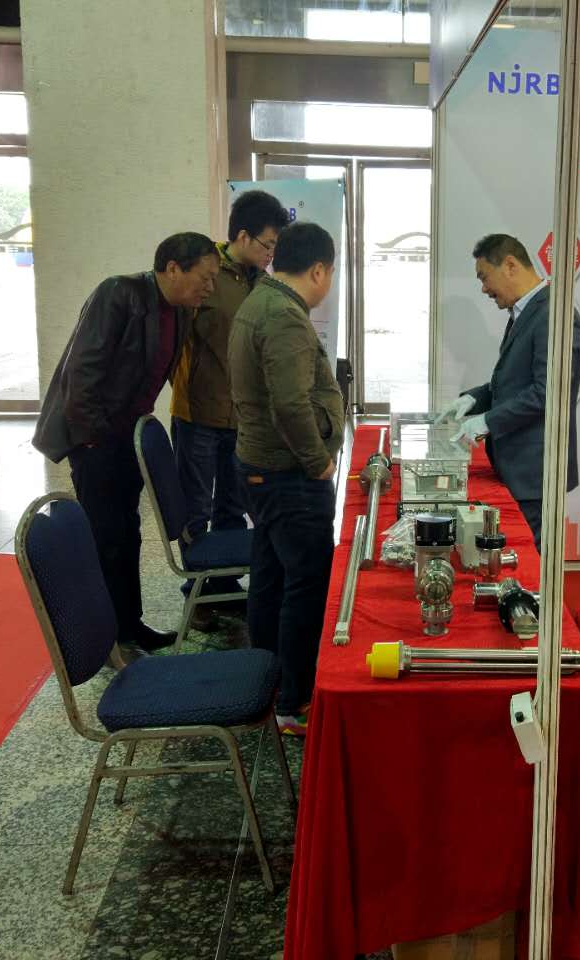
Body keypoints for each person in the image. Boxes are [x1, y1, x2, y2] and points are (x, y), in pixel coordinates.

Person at [33, 232, 219, 655]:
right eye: (205, 277)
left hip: (127, 436)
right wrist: (95, 441)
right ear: (173, 268)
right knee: (105, 537)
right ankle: (103, 642)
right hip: (95, 439)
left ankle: (129, 626)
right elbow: (81, 373)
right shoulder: (119, 294)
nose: (210, 287)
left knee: (127, 532)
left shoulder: (180, 310)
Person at [228, 222, 342, 738]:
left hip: (263, 467)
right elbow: (291, 406)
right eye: (330, 274)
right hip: (288, 472)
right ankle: (295, 701)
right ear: (318, 270)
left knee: (272, 574)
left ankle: (266, 678)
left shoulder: (261, 301)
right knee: (306, 582)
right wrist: (318, 462)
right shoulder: (284, 317)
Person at [169, 191, 291, 623]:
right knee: (196, 507)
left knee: (233, 504)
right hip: (199, 414)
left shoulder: (260, 281)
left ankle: (223, 586)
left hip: (242, 418)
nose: (271, 253)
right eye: (267, 244)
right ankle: (196, 590)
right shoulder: (208, 273)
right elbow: (177, 338)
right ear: (242, 236)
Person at [435, 233, 580, 550]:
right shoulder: (525, 313)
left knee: (528, 560)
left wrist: (487, 421)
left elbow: (547, 393)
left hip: (535, 471)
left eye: (484, 277)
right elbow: (512, 383)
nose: (484, 289)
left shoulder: (553, 314)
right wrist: (473, 399)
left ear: (510, 265)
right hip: (515, 466)